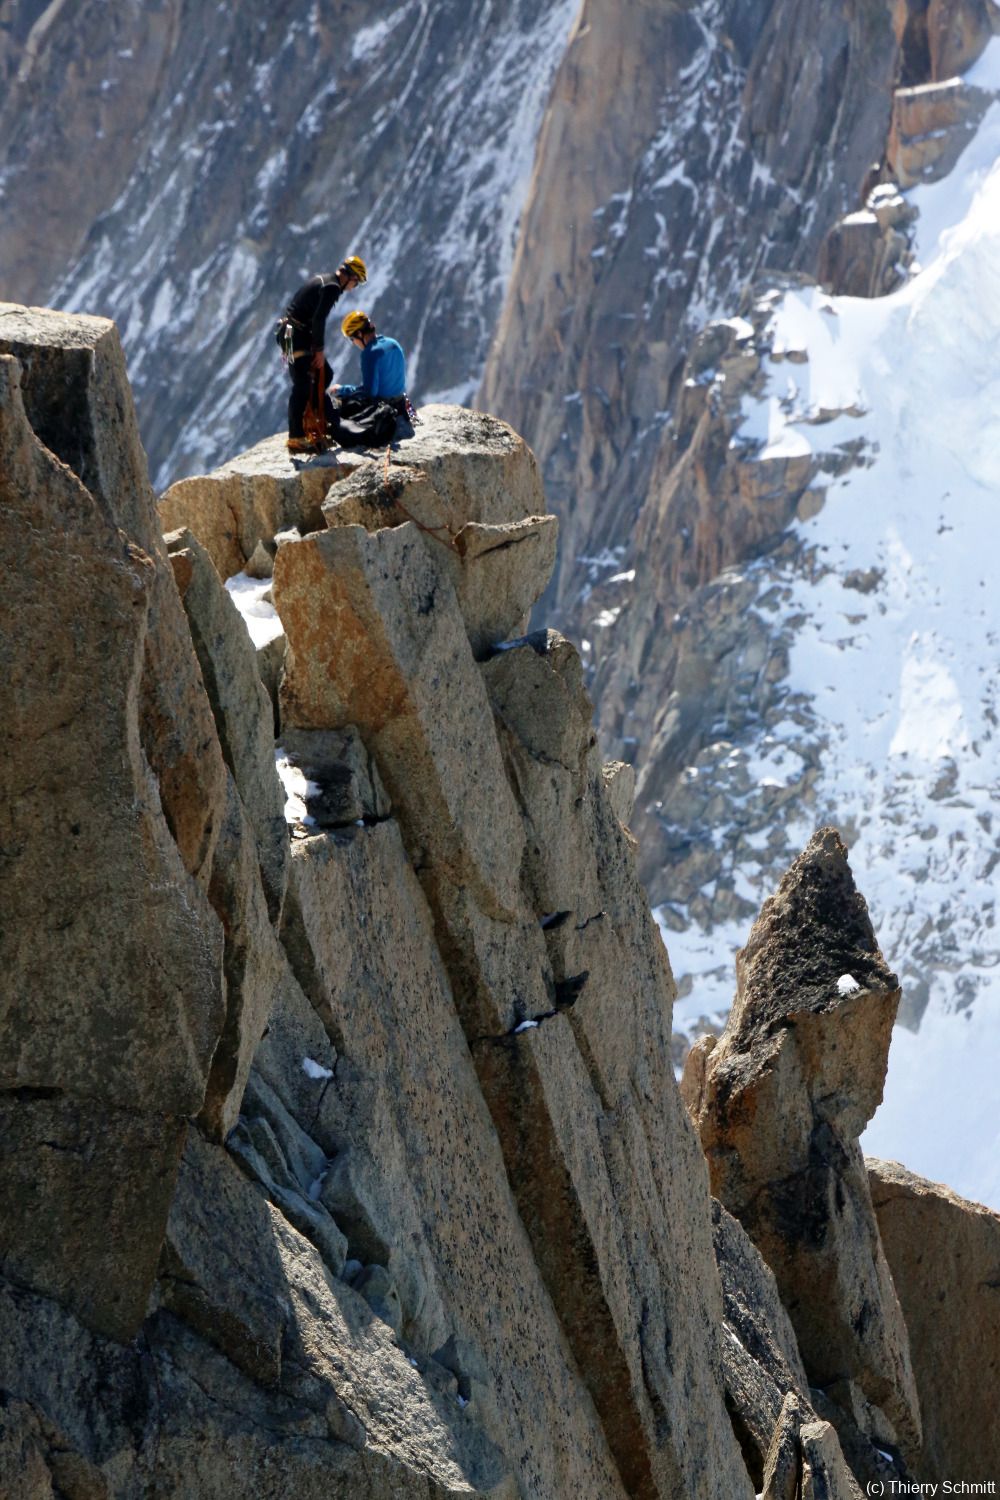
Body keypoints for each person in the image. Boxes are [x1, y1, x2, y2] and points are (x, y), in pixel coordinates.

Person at [277, 255, 367, 453]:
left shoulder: (324, 280)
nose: (354, 287)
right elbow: (319, 319)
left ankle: (316, 420)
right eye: (356, 283)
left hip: (293, 333)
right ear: (350, 277)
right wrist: (318, 350)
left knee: (324, 374)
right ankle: (296, 437)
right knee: (302, 384)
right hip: (297, 335)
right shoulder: (332, 287)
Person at [326, 311, 410, 449]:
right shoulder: (393, 343)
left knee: (338, 407)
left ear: (359, 334)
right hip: (401, 405)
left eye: (352, 339)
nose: (353, 343)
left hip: (383, 408)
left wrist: (343, 390)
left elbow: (370, 392)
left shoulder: (370, 353)